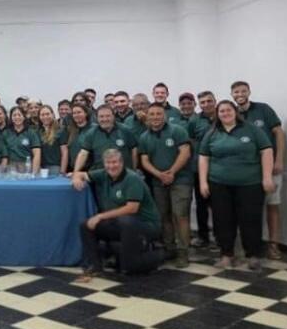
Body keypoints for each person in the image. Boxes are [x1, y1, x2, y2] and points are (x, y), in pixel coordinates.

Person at [199, 100, 274, 271]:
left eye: (228, 110)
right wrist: (203, 182)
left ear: (235, 112)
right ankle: (227, 255)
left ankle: (253, 255)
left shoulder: (252, 129)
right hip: (219, 184)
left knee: (251, 219)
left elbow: (266, 150)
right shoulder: (212, 133)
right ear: (217, 114)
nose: (225, 113)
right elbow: (204, 157)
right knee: (222, 220)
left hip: (250, 184)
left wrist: (267, 177)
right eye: (222, 111)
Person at [73, 149, 164, 282]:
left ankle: (157, 256)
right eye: (108, 163)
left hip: (146, 224)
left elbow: (132, 208)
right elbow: (80, 174)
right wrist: (76, 177)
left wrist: (100, 216)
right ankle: (94, 266)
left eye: (115, 162)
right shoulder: (103, 174)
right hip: (122, 223)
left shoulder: (132, 178)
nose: (111, 166)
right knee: (86, 225)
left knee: (125, 223)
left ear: (121, 163)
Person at [231, 80, 286, 260]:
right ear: (232, 95)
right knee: (248, 209)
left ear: (249, 92)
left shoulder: (263, 109)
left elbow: (279, 133)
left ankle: (273, 245)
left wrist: (279, 160)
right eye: (236, 92)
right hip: (247, 171)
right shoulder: (232, 113)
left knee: (272, 205)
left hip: (271, 168)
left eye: (243, 91)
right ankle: (250, 245)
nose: (240, 94)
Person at [139, 103, 192, 267]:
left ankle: (183, 252)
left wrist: (172, 172)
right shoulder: (144, 137)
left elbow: (185, 153)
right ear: (147, 116)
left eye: (159, 114)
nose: (155, 117)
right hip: (158, 182)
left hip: (181, 180)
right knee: (163, 216)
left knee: (180, 215)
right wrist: (159, 175)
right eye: (152, 114)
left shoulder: (178, 131)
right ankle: (170, 248)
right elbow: (144, 160)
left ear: (165, 115)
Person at [72, 105, 137, 175]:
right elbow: (83, 154)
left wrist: (134, 170)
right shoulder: (91, 133)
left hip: (123, 174)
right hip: (100, 175)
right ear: (97, 118)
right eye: (101, 116)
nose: (105, 119)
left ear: (113, 116)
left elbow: (134, 150)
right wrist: (75, 172)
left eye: (108, 116)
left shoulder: (125, 130)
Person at [188, 91, 217, 248]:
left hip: (219, 169)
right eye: (203, 102)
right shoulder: (194, 120)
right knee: (201, 204)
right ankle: (203, 236)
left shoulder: (223, 116)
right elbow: (191, 140)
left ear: (215, 101)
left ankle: (220, 237)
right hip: (199, 169)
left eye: (209, 101)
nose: (206, 104)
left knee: (219, 205)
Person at [4, 106, 41, 173]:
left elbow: (37, 153)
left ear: (24, 117)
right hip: (11, 168)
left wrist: (34, 172)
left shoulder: (31, 132)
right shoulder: (6, 133)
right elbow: (4, 155)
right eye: (14, 115)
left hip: (27, 167)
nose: (17, 117)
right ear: (11, 118)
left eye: (19, 115)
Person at [38, 105, 67, 174]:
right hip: (40, 168)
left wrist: (62, 171)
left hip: (55, 167)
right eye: (42, 115)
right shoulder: (38, 131)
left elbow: (65, 152)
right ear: (39, 117)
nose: (45, 117)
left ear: (53, 114)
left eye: (47, 114)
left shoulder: (60, 130)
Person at [64, 104, 93, 174]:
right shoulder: (69, 130)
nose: (76, 115)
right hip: (71, 169)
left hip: (88, 170)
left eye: (79, 112)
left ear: (86, 113)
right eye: (74, 113)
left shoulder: (93, 129)